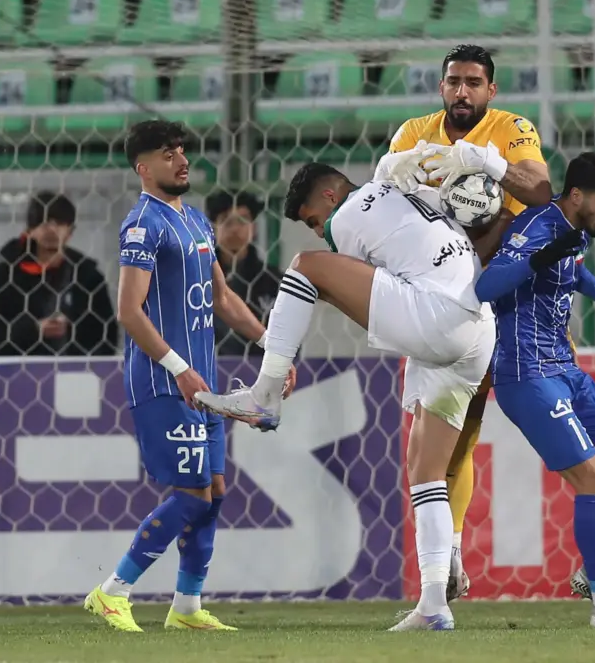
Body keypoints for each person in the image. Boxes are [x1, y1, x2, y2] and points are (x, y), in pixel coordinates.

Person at [380, 44, 595, 601]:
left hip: (522, 301)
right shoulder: (413, 133)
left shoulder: (511, 129)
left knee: (578, 425)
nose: (462, 91)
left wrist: (483, 163)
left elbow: (539, 189)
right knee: (458, 434)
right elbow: (391, 200)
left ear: (490, 91)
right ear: (441, 87)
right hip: (451, 301)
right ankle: (452, 557)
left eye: (473, 82)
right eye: (453, 81)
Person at [194, 164, 495, 632]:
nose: (322, 231)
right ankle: (435, 604)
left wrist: (296, 309)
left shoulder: (352, 211)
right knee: (426, 471)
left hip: (436, 317)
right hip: (478, 328)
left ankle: (265, 395)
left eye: (315, 220)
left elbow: (332, 285)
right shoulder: (402, 194)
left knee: (304, 266)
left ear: (330, 196)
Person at [83, 120, 295, 633]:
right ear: (143, 167)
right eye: (167, 153)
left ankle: (186, 606)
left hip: (204, 385)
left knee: (214, 492)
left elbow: (222, 298)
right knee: (193, 495)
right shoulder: (143, 224)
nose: (181, 160)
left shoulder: (196, 220)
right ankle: (112, 591)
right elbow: (129, 311)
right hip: (164, 382)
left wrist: (273, 348)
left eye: (181, 150)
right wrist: (178, 369)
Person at [475, 152, 595, 629]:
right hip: (527, 374)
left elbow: (573, 271)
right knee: (593, 480)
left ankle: (594, 567)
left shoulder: (576, 228)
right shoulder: (535, 227)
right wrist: (539, 257)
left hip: (565, 369)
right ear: (577, 195)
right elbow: (486, 287)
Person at [0, 191, 117, 357]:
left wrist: (71, 330)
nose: (51, 229)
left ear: (70, 231)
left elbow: (107, 337)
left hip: (74, 371)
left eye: (59, 223)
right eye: (43, 222)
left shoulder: (87, 276)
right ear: (30, 230)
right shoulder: (4, 274)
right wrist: (33, 330)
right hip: (18, 370)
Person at [205, 191, 282, 357]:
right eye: (226, 220)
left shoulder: (273, 280)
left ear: (253, 228)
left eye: (242, 220)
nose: (235, 228)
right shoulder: (199, 276)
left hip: (259, 366)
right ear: (213, 228)